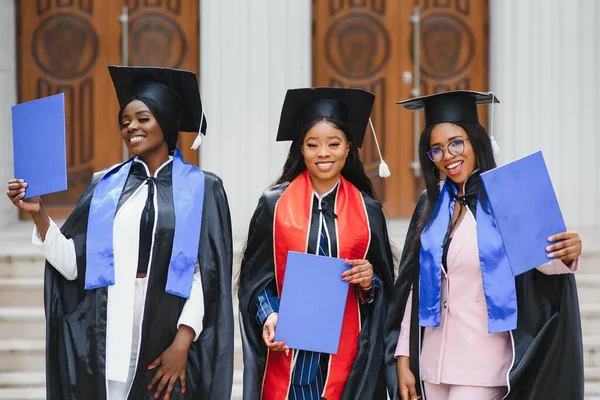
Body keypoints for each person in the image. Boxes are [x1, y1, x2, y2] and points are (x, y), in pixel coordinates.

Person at [6, 66, 234, 400]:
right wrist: (38, 215)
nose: (131, 128)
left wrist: (183, 340)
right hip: (110, 323)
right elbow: (72, 266)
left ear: (166, 121)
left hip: (169, 325)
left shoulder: (203, 187)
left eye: (142, 119)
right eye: (125, 122)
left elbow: (206, 273)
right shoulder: (106, 185)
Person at [385, 90, 584, 400]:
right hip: (432, 363)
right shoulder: (431, 204)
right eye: (436, 149)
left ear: (475, 141)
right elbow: (417, 284)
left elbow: (545, 261)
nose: (448, 156)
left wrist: (567, 253)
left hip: (482, 363)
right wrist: (403, 356)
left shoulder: (507, 195)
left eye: (456, 143)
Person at [238, 87, 395, 399]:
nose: (324, 153)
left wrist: (368, 282)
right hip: (291, 358)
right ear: (301, 149)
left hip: (347, 359)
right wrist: (269, 314)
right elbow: (255, 279)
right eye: (313, 145)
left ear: (348, 148)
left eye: (333, 144)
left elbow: (385, 286)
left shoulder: (368, 210)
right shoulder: (275, 205)